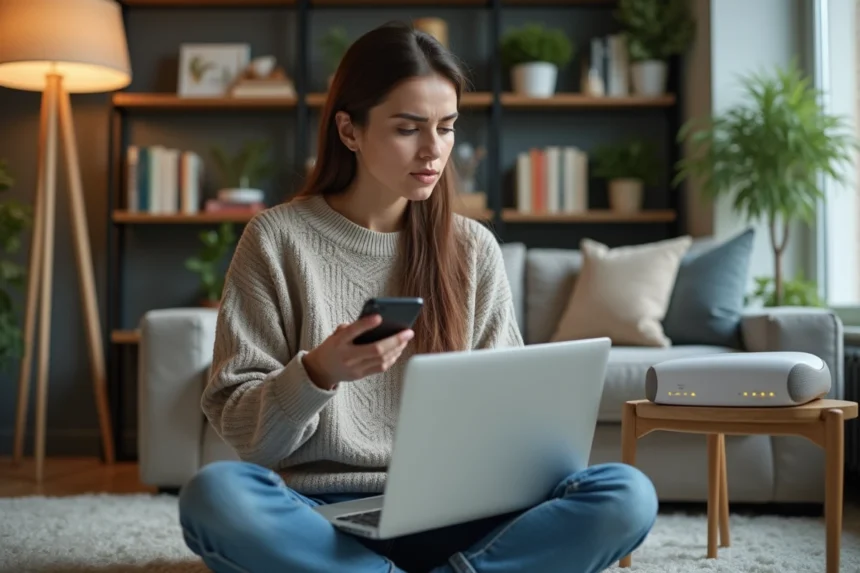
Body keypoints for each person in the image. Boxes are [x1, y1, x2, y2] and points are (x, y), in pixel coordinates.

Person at [177, 21, 658, 573]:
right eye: (409, 128)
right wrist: (316, 372)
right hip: (324, 516)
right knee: (215, 495)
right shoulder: (276, 238)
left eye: (447, 127)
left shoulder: (472, 248)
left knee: (627, 494)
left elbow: (513, 421)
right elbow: (245, 436)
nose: (434, 150)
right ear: (349, 130)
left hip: (461, 513)